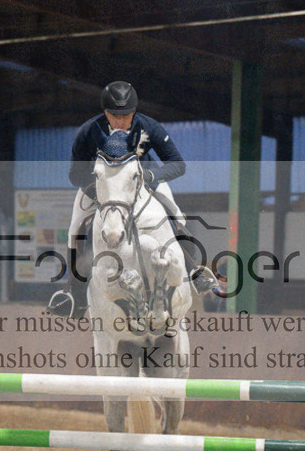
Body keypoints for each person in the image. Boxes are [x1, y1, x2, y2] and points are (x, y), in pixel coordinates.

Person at [47, 81, 218, 318]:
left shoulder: (149, 127)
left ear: (134, 112)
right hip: (101, 187)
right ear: (105, 112)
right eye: (114, 116)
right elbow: (75, 174)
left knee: (176, 217)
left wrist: (151, 175)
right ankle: (73, 294)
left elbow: (178, 164)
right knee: (74, 230)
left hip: (144, 182)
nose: (119, 121)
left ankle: (194, 272)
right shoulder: (88, 132)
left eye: (125, 116)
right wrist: (105, 195)